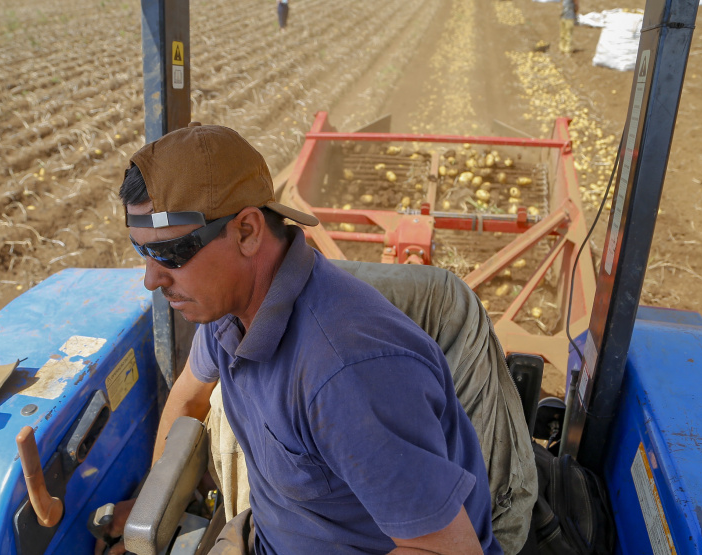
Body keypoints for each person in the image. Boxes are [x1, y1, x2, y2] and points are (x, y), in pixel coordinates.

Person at [100, 122, 500, 554]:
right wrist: (150, 504)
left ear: (248, 232)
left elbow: (446, 550)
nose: (151, 279)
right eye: (143, 251)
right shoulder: (225, 311)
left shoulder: (346, 373)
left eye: (169, 253)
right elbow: (189, 397)